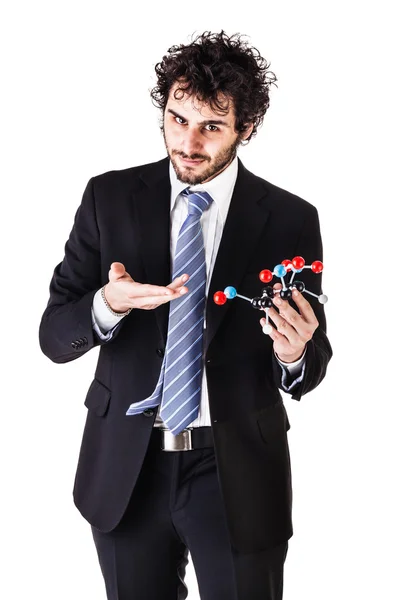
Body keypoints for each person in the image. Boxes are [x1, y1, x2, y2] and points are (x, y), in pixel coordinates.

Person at [39, 30, 332, 600]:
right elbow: (53, 335)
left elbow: (311, 366)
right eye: (177, 119)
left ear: (246, 128)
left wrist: (294, 352)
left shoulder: (291, 219)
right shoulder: (108, 198)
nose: (188, 142)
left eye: (211, 127)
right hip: (127, 464)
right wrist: (107, 305)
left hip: (237, 471)